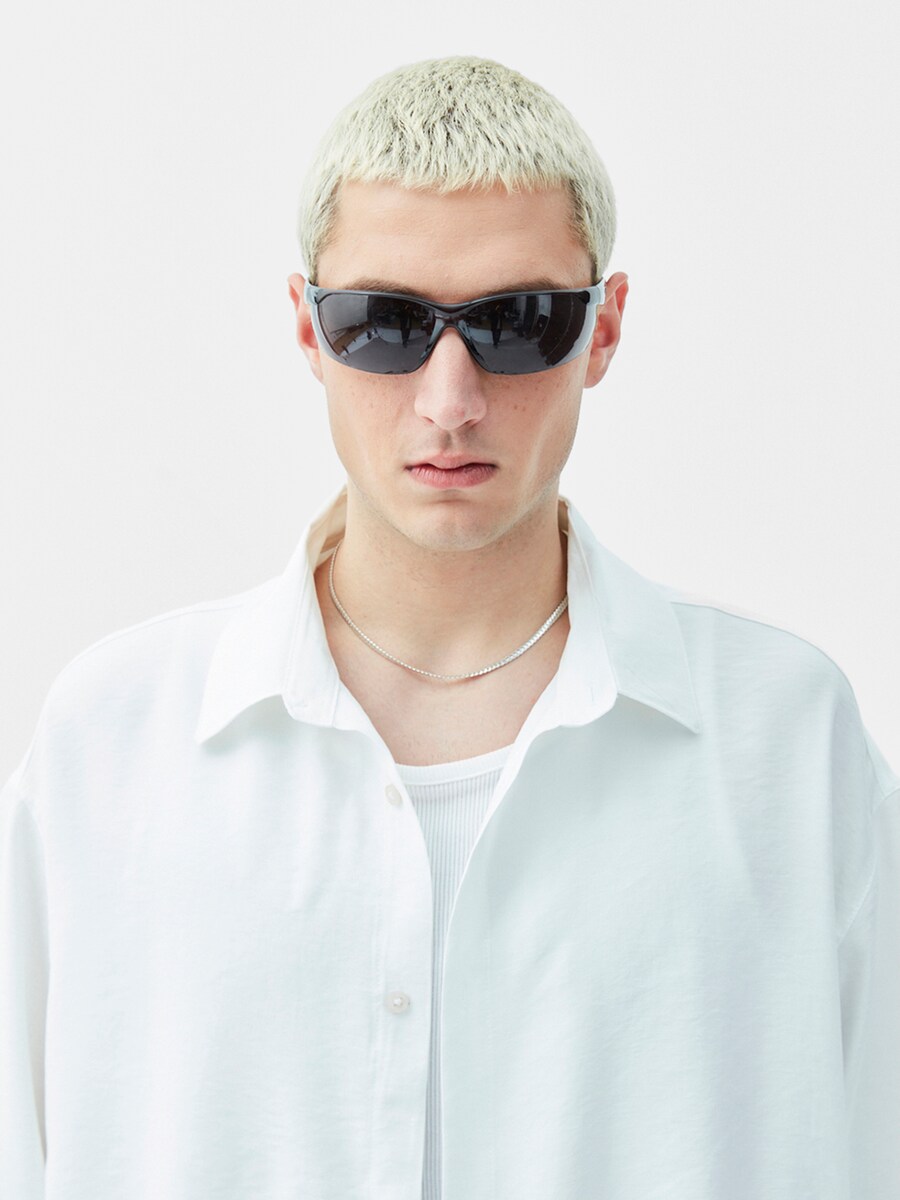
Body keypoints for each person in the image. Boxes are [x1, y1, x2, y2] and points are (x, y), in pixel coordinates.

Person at [1, 54, 898, 1200]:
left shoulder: (787, 745)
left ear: (604, 330)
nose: (449, 399)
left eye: (519, 322)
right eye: (384, 324)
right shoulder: (114, 747)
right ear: (308, 327)